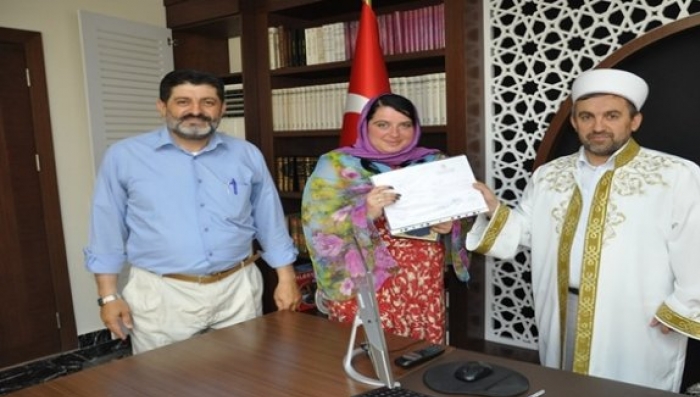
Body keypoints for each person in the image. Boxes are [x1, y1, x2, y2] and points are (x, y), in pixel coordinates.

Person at [467, 68, 700, 392]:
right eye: (587, 116)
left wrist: (684, 309)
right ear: (574, 122)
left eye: (611, 116)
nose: (598, 126)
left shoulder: (675, 174)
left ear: (634, 121)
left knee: (628, 390)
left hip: (635, 318)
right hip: (561, 310)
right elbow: (523, 232)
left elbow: (699, 246)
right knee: (565, 388)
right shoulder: (549, 175)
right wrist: (494, 210)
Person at [84, 69, 301, 354]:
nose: (196, 111)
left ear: (222, 109)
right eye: (183, 101)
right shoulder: (124, 156)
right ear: (162, 106)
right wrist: (108, 296)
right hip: (162, 293)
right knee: (163, 375)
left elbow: (269, 220)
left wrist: (287, 278)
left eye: (208, 102)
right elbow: (107, 228)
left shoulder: (246, 154)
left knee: (243, 371)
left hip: (237, 289)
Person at [301, 93, 470, 344]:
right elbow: (318, 227)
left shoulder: (434, 163)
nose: (394, 134)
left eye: (404, 125)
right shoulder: (335, 166)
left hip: (420, 278)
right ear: (365, 125)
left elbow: (465, 213)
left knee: (418, 353)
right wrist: (366, 212)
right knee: (365, 352)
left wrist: (451, 225)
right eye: (383, 124)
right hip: (364, 280)